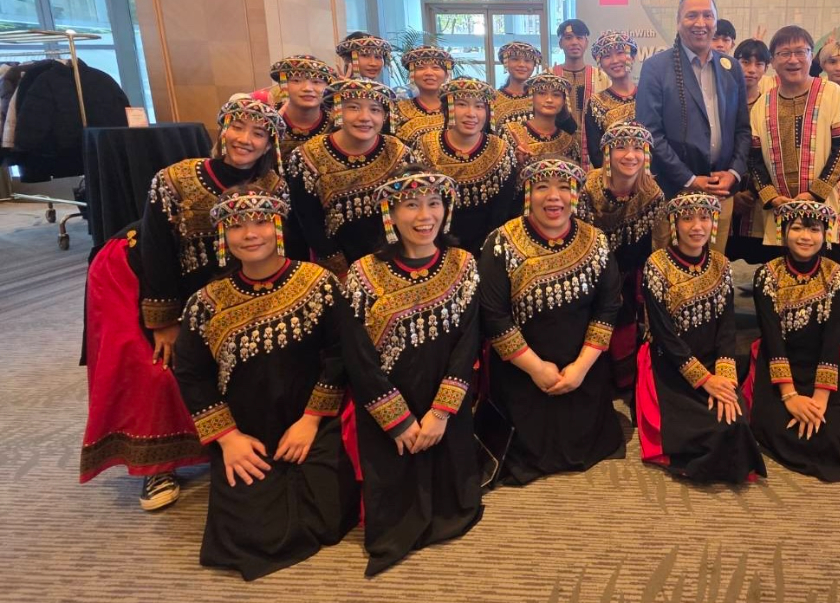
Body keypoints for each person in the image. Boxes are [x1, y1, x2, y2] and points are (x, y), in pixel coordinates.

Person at [171, 186, 359, 580]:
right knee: (251, 538)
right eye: (237, 226)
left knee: (327, 519)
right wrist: (228, 439)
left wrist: (310, 421)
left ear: (277, 227)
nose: (250, 234)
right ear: (223, 236)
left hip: (310, 420)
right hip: (245, 430)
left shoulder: (318, 283)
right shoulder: (206, 302)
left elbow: (341, 354)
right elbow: (191, 373)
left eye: (260, 222)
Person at [344, 166, 485, 576]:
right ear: (390, 213)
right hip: (388, 406)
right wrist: (399, 421)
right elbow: (359, 358)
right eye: (411, 205)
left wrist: (441, 413)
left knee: (455, 500)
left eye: (434, 203)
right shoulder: (363, 274)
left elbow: (467, 344)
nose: (425, 216)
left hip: (445, 405)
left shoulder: (463, 264)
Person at [478, 156, 624, 484]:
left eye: (564, 187)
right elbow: (494, 315)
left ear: (575, 195)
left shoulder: (596, 241)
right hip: (522, 371)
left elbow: (607, 308)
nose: (553, 196)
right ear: (529, 193)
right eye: (542, 187)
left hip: (582, 366)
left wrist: (580, 368)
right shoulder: (501, 242)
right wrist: (536, 369)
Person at [138, 96, 290, 376]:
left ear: (270, 145)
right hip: (189, 298)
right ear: (222, 130)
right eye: (237, 127)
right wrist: (164, 322)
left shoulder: (276, 188)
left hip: (254, 301)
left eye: (258, 134)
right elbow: (156, 249)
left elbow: (283, 250)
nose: (245, 139)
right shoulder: (174, 179)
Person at [636, 193, 766, 483]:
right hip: (670, 363)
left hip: (713, 360)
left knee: (734, 421)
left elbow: (727, 327)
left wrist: (725, 378)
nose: (697, 226)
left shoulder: (721, 264)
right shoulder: (657, 266)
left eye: (704, 218)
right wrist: (705, 381)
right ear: (675, 224)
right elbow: (663, 335)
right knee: (710, 428)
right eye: (688, 218)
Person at [750, 201, 840, 482]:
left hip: (823, 363)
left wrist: (820, 398)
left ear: (826, 234)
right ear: (784, 233)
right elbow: (772, 339)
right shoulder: (767, 275)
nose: (805, 237)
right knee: (781, 428)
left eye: (814, 229)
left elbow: (834, 340)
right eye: (797, 228)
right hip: (778, 364)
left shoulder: (838, 276)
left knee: (837, 435)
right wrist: (790, 396)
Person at [80, 222, 207, 510]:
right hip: (136, 264)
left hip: (238, 253)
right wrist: (163, 318)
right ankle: (156, 463)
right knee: (151, 366)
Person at [635, 0, 752, 254]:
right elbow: (650, 134)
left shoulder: (730, 67)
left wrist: (733, 173)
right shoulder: (656, 67)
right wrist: (689, 179)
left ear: (715, 21)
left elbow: (742, 130)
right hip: (674, 189)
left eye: (707, 15)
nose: (700, 23)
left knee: (714, 271)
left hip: (721, 192)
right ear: (678, 22)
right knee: (673, 275)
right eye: (692, 16)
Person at [748, 25, 840, 256]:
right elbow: (754, 157)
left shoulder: (831, 92)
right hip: (779, 212)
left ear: (812, 56)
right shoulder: (763, 103)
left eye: (801, 52)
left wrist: (815, 194)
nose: (793, 60)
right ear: (773, 60)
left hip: (824, 209)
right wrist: (770, 196)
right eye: (784, 53)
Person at [285, 78, 416, 275]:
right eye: (353, 107)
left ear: (385, 116)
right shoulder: (308, 156)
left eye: (375, 110)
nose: (365, 117)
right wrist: (338, 268)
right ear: (337, 111)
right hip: (336, 262)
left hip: (393, 256)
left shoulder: (399, 152)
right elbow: (307, 221)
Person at [576, 123, 665, 392]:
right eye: (621, 148)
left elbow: (655, 246)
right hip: (590, 271)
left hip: (630, 271)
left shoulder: (653, 193)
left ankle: (625, 379)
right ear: (607, 153)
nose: (630, 155)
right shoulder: (586, 188)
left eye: (638, 148)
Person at [415, 76, 517, 255]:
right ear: (447, 109)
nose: (471, 113)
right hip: (434, 246)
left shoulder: (500, 149)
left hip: (488, 248)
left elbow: (503, 210)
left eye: (479, 106)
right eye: (462, 104)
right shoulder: (426, 146)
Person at [726, 39, 773, 264]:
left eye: (759, 64)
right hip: (724, 193)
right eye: (745, 62)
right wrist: (730, 194)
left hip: (760, 197)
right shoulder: (721, 102)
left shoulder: (770, 106)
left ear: (766, 68)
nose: (751, 70)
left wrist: (754, 193)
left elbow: (773, 154)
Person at [553, 19, 611, 168]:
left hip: (593, 151)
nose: (574, 42)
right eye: (568, 38)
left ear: (586, 42)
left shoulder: (600, 77)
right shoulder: (550, 76)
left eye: (579, 37)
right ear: (560, 43)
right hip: (557, 149)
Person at [500, 71, 580, 171]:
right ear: (531, 97)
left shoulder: (568, 142)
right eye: (542, 93)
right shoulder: (511, 132)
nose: (549, 100)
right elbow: (502, 178)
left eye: (556, 95)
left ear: (564, 101)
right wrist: (519, 164)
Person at [584, 30, 639, 167]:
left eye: (620, 53)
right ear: (600, 63)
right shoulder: (596, 103)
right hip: (614, 180)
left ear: (632, 57)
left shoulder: (649, 94)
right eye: (607, 56)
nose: (615, 61)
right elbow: (596, 153)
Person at [265, 54, 338, 157]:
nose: (307, 88)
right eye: (296, 81)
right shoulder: (266, 118)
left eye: (316, 81)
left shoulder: (336, 124)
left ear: (327, 88)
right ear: (283, 85)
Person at [394, 45, 452, 146]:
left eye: (436, 68)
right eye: (420, 68)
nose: (429, 73)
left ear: (446, 75)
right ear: (411, 74)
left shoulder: (457, 108)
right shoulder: (397, 110)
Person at [491, 41, 542, 131]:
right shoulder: (493, 99)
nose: (522, 65)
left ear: (534, 65)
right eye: (515, 59)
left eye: (527, 60)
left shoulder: (541, 98)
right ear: (506, 62)